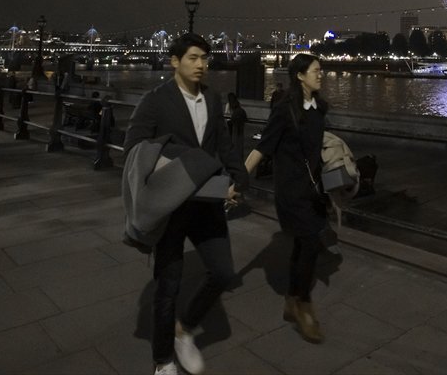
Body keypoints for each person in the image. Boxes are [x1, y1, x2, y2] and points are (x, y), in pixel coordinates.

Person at [123, 33, 247, 375]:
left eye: (204, 58)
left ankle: (184, 329)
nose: (201, 65)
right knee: (168, 286)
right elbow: (134, 147)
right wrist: (186, 162)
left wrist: (239, 176)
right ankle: (162, 361)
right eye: (193, 58)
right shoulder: (155, 101)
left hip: (207, 202)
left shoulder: (211, 97)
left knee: (223, 272)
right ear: (175, 61)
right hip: (172, 205)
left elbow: (222, 141)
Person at [244, 53, 330, 343]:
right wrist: (239, 180)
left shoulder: (319, 108)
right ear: (300, 76)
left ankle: (291, 300)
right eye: (316, 71)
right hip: (291, 192)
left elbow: (317, 150)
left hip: (312, 190)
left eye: (321, 71)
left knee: (303, 245)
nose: (321, 75)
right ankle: (303, 305)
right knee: (310, 242)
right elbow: (264, 147)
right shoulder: (284, 109)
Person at [226, 92, 247, 161]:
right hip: (239, 125)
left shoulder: (231, 106)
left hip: (234, 124)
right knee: (239, 142)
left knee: (234, 141)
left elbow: (228, 115)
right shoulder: (238, 106)